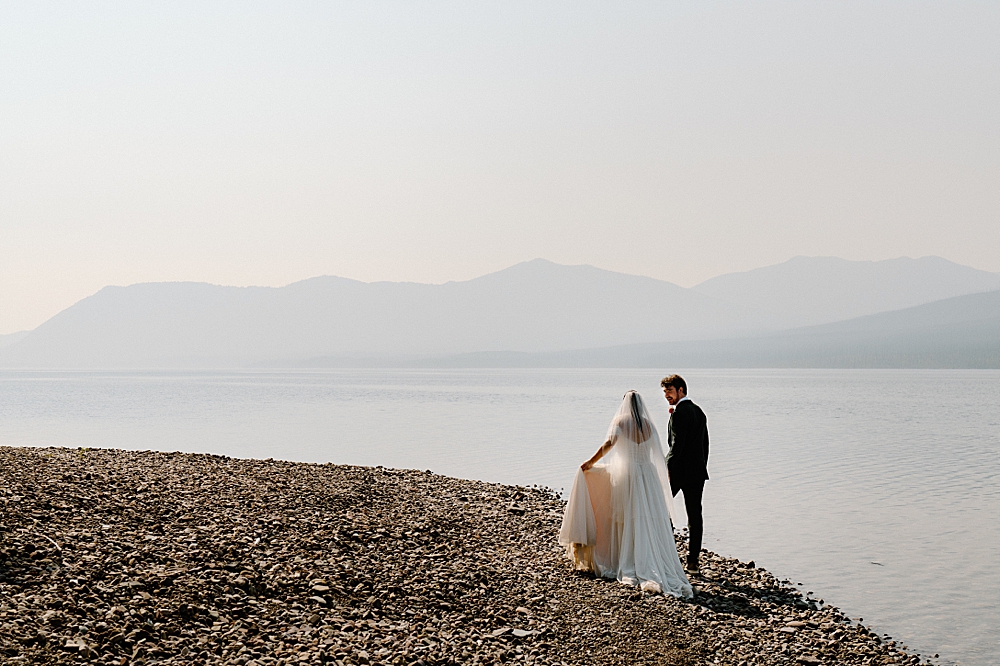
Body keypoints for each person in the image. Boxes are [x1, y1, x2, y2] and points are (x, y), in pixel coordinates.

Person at [558, 391, 692, 598]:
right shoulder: (649, 425)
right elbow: (655, 452)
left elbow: (608, 445)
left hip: (629, 475)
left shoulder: (620, 421)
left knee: (626, 517)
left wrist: (590, 463)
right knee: (645, 518)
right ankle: (649, 557)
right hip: (647, 475)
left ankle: (628, 559)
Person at [661, 374, 709, 574]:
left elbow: (676, 446)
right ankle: (693, 561)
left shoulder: (680, 413)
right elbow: (705, 445)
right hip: (697, 472)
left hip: (678, 472)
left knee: (659, 507)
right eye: (664, 392)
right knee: (694, 515)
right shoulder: (699, 411)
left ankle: (665, 553)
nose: (666, 396)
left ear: (681, 390)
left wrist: (665, 468)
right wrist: (701, 466)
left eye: (670, 391)